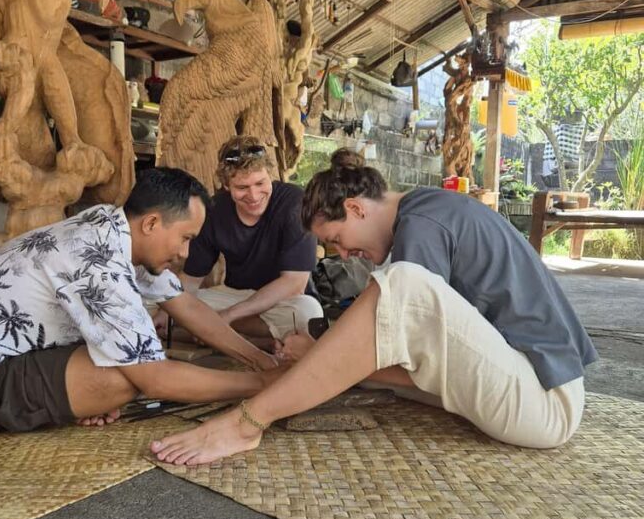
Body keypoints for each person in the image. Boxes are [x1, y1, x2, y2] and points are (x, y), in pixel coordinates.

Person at [151, 150, 597, 465]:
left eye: (337, 241)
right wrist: (331, 358)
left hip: (543, 404)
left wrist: (320, 356)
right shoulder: (425, 212)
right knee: (360, 344)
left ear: (355, 209)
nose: (344, 255)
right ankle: (294, 381)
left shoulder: (422, 226)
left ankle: (248, 423)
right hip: (523, 385)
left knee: (400, 286)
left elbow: (404, 342)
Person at [0, 167, 278, 434]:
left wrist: (260, 360)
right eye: (185, 238)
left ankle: (65, 399)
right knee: (121, 379)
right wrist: (264, 385)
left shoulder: (112, 226)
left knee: (122, 362)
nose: (185, 253)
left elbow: (186, 305)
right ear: (151, 223)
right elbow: (155, 379)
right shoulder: (96, 258)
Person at [157, 135, 323, 350]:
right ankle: (252, 341)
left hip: (283, 300)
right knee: (158, 301)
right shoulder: (214, 210)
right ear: (226, 185)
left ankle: (210, 332)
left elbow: (294, 284)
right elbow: (191, 280)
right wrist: (167, 311)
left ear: (270, 175)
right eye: (242, 187)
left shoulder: (295, 203)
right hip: (235, 296)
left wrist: (227, 316)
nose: (254, 195)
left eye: (260, 183)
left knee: (307, 313)